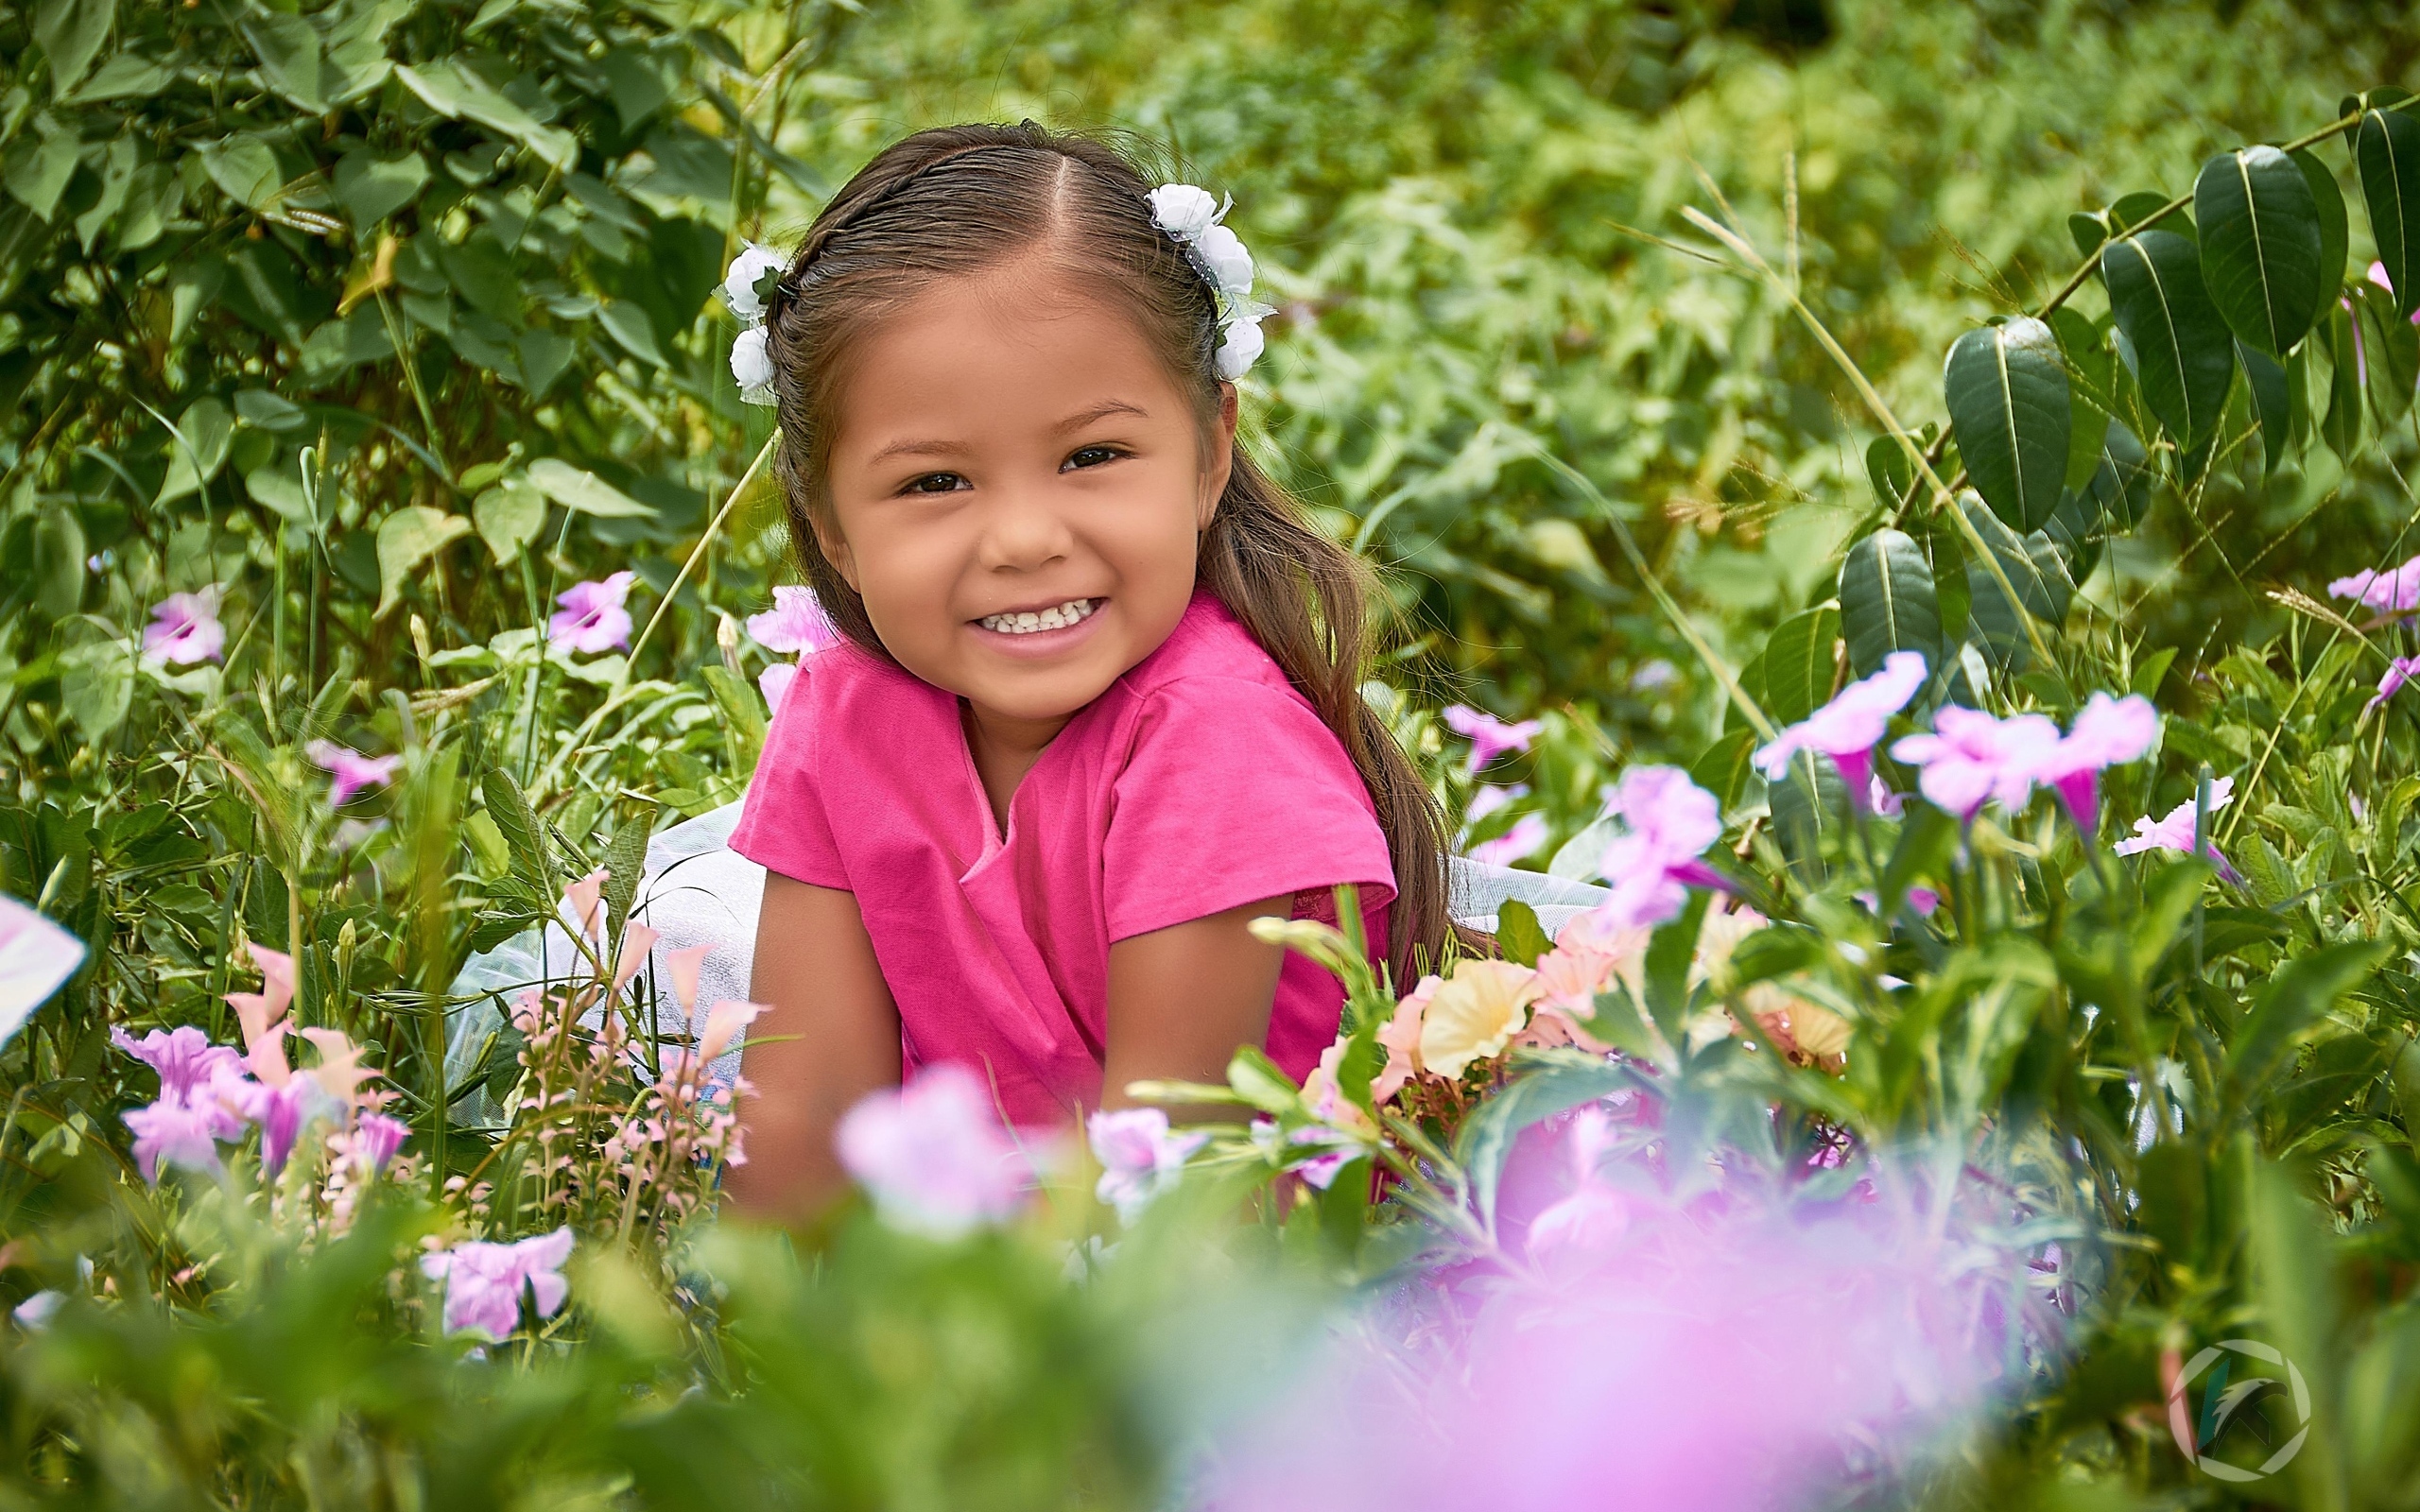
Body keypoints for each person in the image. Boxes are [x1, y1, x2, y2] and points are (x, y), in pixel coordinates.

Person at [723, 122, 1458, 1217]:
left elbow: (1170, 1208)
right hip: (981, 1305)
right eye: (933, 482)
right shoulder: (844, 721)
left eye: (1092, 457)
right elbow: (797, 1164)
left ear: (1211, 450)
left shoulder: (1214, 736)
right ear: (828, 521)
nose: (1023, 538)